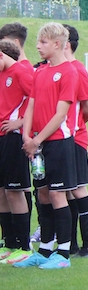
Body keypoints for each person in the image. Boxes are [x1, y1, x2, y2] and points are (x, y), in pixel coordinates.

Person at [14, 22, 79, 269]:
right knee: (42, 194)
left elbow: (61, 114)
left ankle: (63, 253)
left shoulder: (69, 72)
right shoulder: (39, 72)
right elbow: (31, 104)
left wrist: (37, 140)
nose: (38, 46)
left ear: (57, 44)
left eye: (43, 42)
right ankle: (45, 249)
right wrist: (26, 136)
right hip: (37, 144)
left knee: (57, 194)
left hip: (58, 142)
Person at [0, 33, 34, 262]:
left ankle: (25, 246)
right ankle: (9, 243)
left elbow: (38, 101)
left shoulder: (21, 72)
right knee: (2, 191)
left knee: (14, 191)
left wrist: (20, 122)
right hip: (1, 137)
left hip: (13, 138)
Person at [64, 26, 88, 258]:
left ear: (65, 43)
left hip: (74, 138)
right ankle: (71, 244)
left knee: (77, 188)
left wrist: (74, 127)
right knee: (64, 190)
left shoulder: (77, 70)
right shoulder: (58, 69)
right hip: (59, 139)